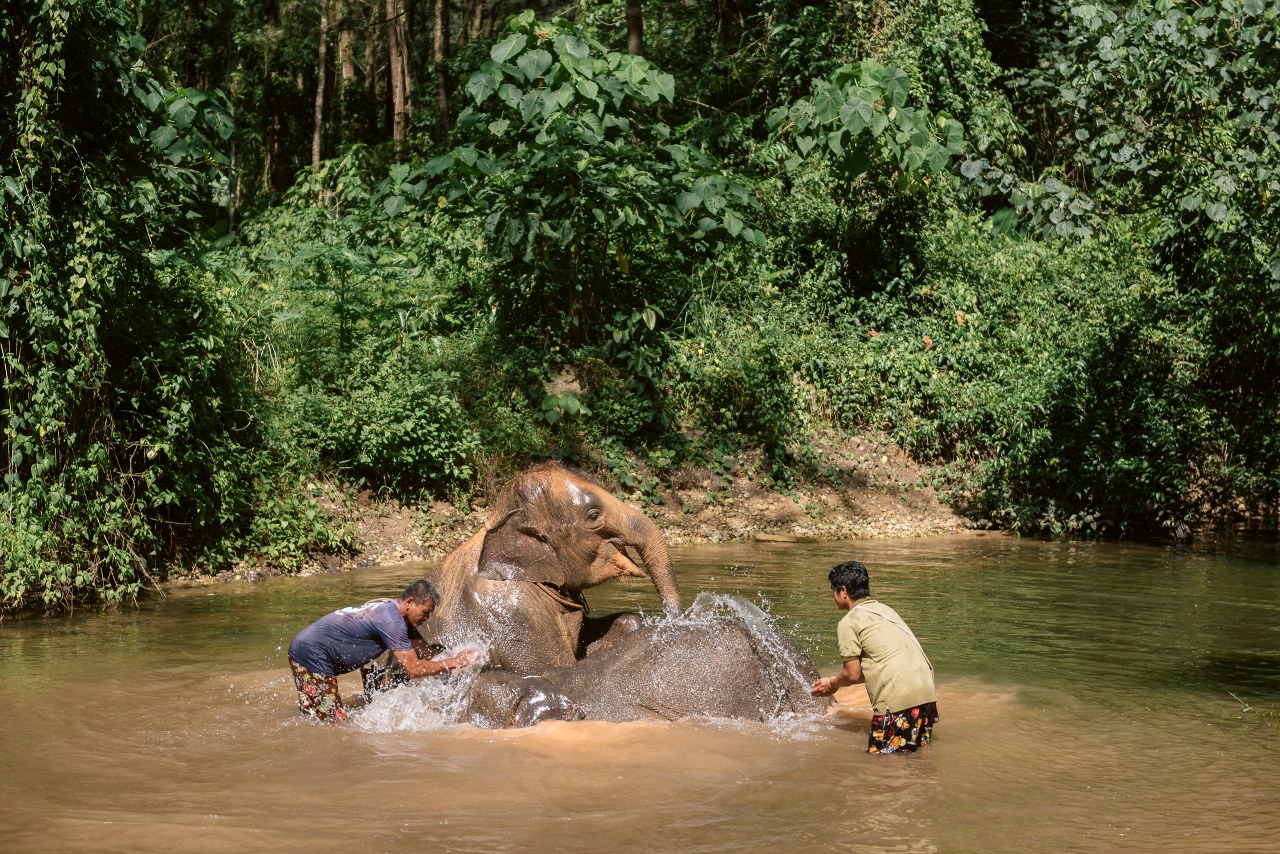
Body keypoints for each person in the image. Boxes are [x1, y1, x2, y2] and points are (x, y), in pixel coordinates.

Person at [287, 578, 476, 722]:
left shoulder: (395, 614)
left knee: (314, 717)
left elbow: (426, 652)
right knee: (334, 723)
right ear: (410, 602)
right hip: (312, 653)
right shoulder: (391, 621)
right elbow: (414, 669)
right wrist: (456, 662)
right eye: (425, 612)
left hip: (307, 648)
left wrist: (466, 660)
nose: (427, 618)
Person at [811, 561, 938, 753]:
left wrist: (832, 683)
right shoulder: (885, 610)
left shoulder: (849, 621)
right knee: (915, 762)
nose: (833, 596)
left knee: (881, 768)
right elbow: (877, 666)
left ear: (843, 590)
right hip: (926, 693)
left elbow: (852, 675)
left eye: (833, 590)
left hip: (898, 699)